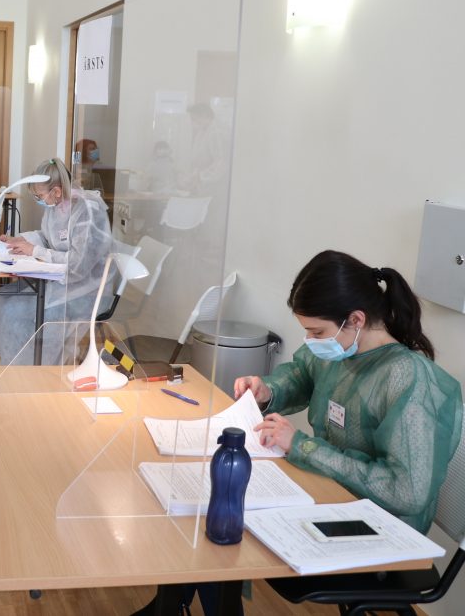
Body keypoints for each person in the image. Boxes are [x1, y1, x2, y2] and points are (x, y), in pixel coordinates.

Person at [134, 250, 463, 616]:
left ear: (356, 319)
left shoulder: (408, 378)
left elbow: (407, 492)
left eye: (317, 332)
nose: (310, 340)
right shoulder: (341, 350)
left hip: (382, 529)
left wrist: (303, 446)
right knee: (210, 497)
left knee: (228, 520)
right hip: (332, 493)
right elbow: (303, 373)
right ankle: (172, 606)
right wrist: (267, 390)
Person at [0, 158, 113, 364]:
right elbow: (46, 236)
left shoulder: (87, 211)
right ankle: (14, 362)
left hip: (86, 287)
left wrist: (35, 251)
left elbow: (79, 264)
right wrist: (19, 240)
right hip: (59, 279)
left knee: (14, 312)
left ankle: (35, 370)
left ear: (57, 191)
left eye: (39, 196)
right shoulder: (57, 206)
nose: (38, 200)